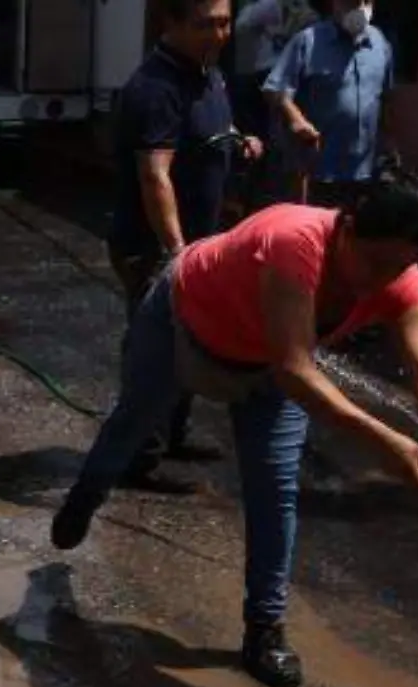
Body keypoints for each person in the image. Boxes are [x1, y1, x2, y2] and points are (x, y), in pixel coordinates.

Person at [50, 166, 418, 687]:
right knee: (134, 423)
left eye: (397, 267)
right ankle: (87, 494)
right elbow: (296, 368)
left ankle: (264, 630)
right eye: (371, 261)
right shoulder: (294, 243)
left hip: (263, 363)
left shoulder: (400, 280)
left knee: (274, 490)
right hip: (185, 321)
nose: (378, 279)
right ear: (345, 227)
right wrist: (383, 441)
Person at [108, 0, 262, 483]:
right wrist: (176, 253)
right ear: (170, 24)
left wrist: (238, 141)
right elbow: (156, 177)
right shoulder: (156, 89)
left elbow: (210, 126)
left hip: (199, 240)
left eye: (224, 22)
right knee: (156, 348)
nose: (218, 34)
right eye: (204, 26)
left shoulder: (206, 73)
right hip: (152, 245)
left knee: (191, 339)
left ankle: (171, 436)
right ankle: (137, 457)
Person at [264, 0, 393, 209]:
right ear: (335, 3)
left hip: (363, 174)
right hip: (317, 172)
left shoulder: (381, 45)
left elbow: (385, 99)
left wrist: (388, 146)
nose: (360, 8)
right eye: (352, 2)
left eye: (366, 1)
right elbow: (275, 89)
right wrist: (296, 118)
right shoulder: (308, 42)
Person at [230, 0, 315, 204]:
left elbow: (312, 25)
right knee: (255, 142)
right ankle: (250, 190)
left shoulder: (303, 10)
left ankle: (273, 188)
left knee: (282, 142)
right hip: (256, 77)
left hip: (289, 79)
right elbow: (241, 24)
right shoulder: (263, 6)